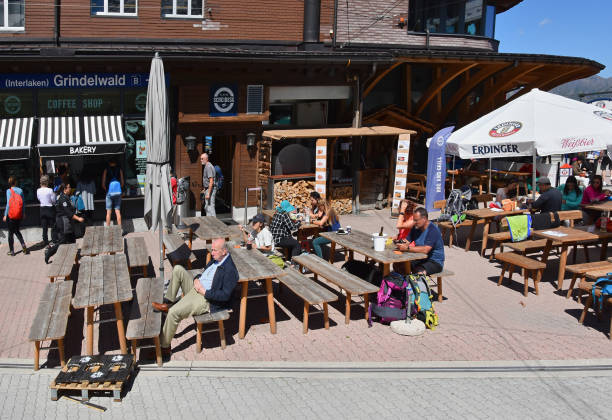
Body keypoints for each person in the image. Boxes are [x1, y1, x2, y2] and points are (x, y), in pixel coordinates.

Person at [151, 238, 238, 358]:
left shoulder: (230, 270)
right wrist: (197, 278)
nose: (211, 253)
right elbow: (205, 274)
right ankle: (168, 302)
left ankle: (164, 347)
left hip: (205, 299)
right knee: (178, 269)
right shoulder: (216, 259)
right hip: (196, 287)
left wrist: (205, 292)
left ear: (224, 251)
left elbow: (225, 296)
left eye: (214, 250)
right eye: (211, 250)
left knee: (173, 313)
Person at [44, 183, 85, 264]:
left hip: (69, 223)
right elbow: (68, 212)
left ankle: (75, 259)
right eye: (69, 187)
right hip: (63, 223)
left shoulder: (67, 197)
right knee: (62, 241)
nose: (70, 188)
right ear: (65, 189)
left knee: (72, 239)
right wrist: (78, 218)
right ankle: (49, 253)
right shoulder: (63, 199)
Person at [397, 207, 444, 275]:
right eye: (414, 220)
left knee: (418, 272)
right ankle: (402, 283)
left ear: (424, 219)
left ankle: (416, 284)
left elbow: (425, 249)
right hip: (420, 258)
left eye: (416, 220)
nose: (414, 222)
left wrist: (407, 248)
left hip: (434, 261)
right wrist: (399, 243)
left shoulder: (433, 230)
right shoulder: (416, 227)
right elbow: (407, 241)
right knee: (398, 265)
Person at [3, 176, 28, 256]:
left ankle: (12, 251)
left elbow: (8, 204)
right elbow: (23, 203)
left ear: (10, 183)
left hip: (11, 215)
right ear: (16, 182)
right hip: (19, 214)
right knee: (17, 231)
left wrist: (5, 215)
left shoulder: (8, 191)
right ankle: (23, 245)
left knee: (11, 233)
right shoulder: (20, 190)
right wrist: (23, 213)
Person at [101, 159, 124, 230]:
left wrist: (107, 190)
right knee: (117, 211)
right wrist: (118, 189)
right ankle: (120, 229)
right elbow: (122, 182)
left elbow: (103, 184)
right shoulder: (119, 170)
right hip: (118, 193)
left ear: (109, 162)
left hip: (109, 193)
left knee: (108, 212)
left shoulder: (106, 170)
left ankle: (108, 229)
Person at [37, 175, 56, 247]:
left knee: (44, 227)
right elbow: (53, 200)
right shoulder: (50, 190)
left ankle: (46, 242)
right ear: (47, 182)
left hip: (42, 209)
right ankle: (54, 240)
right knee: (53, 226)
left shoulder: (38, 190)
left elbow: (39, 199)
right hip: (50, 209)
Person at [200, 153, 216, 217]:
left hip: (211, 190)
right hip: (208, 189)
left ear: (206, 159)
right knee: (207, 207)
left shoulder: (209, 167)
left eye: (202, 159)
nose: (201, 160)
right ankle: (210, 223)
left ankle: (215, 224)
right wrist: (205, 189)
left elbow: (211, 181)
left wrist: (208, 193)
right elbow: (207, 180)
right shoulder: (207, 166)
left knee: (210, 207)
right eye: (201, 159)